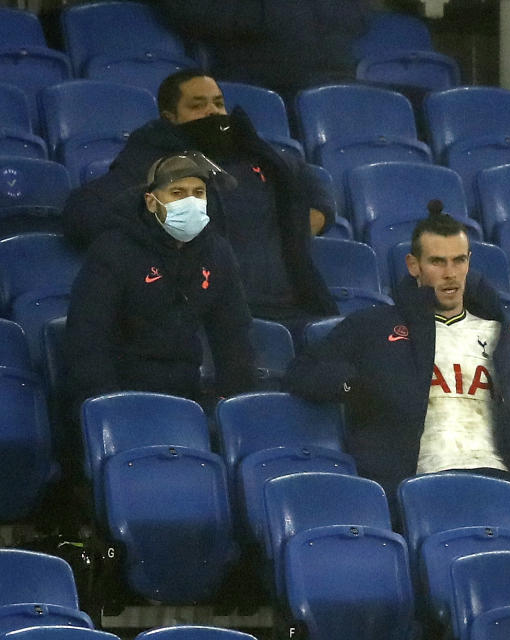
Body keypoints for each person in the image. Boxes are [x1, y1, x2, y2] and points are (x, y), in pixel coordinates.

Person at [283, 202, 510, 496]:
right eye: (437, 262)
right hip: (418, 488)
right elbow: (302, 372)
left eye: (459, 261)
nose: (451, 273)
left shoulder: (505, 334)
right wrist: (352, 387)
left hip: (506, 484)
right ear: (414, 266)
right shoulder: (373, 326)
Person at [63, 69, 338, 330]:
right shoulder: (156, 161)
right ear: (170, 117)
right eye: (197, 105)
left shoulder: (252, 152)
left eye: (218, 103)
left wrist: (318, 213)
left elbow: (310, 176)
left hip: (293, 307)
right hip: (215, 315)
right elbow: (85, 212)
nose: (213, 112)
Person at [65, 152, 256, 409]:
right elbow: (88, 335)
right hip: (123, 393)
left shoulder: (216, 251)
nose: (191, 201)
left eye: (198, 193)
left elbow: (233, 333)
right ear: (151, 202)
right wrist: (107, 404)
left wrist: (232, 402)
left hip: (187, 395)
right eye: (177, 193)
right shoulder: (114, 248)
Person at [154, 0, 372, 100]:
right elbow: (192, 11)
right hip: (253, 82)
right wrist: (268, 13)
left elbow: (358, 17)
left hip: (334, 83)